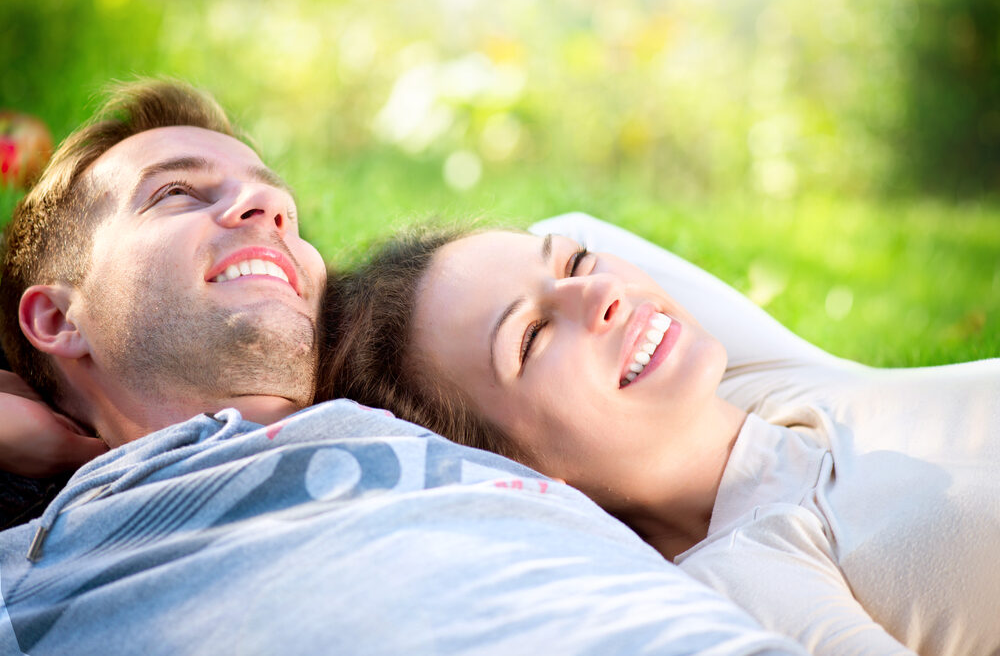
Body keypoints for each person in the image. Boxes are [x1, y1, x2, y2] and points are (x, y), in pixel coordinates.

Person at [0, 79, 804, 655]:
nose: (269, 211)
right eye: (175, 194)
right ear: (56, 318)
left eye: (277, 199)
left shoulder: (451, 409)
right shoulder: (52, 555)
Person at [321, 218, 1000, 656]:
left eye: (579, 266)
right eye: (532, 336)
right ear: (510, 470)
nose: (602, 296)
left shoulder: (769, 386)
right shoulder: (749, 579)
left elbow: (569, 224)